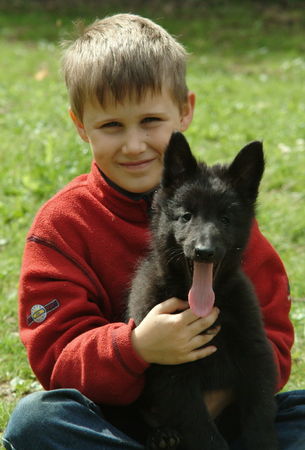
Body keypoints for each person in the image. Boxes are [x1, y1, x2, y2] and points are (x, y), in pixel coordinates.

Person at [3, 13, 305, 450]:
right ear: (79, 125)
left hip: (233, 414)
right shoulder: (63, 225)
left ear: (184, 111)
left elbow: (272, 345)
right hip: (123, 421)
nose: (133, 144)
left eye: (150, 121)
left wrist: (214, 409)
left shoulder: (226, 220)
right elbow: (56, 361)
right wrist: (136, 347)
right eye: (111, 125)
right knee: (38, 420)